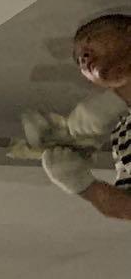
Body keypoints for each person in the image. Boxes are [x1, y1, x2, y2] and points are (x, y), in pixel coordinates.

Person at [39, 13, 131, 221]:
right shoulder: (122, 135)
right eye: (79, 59)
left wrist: (116, 99)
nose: (83, 58)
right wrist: (82, 185)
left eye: (91, 40)